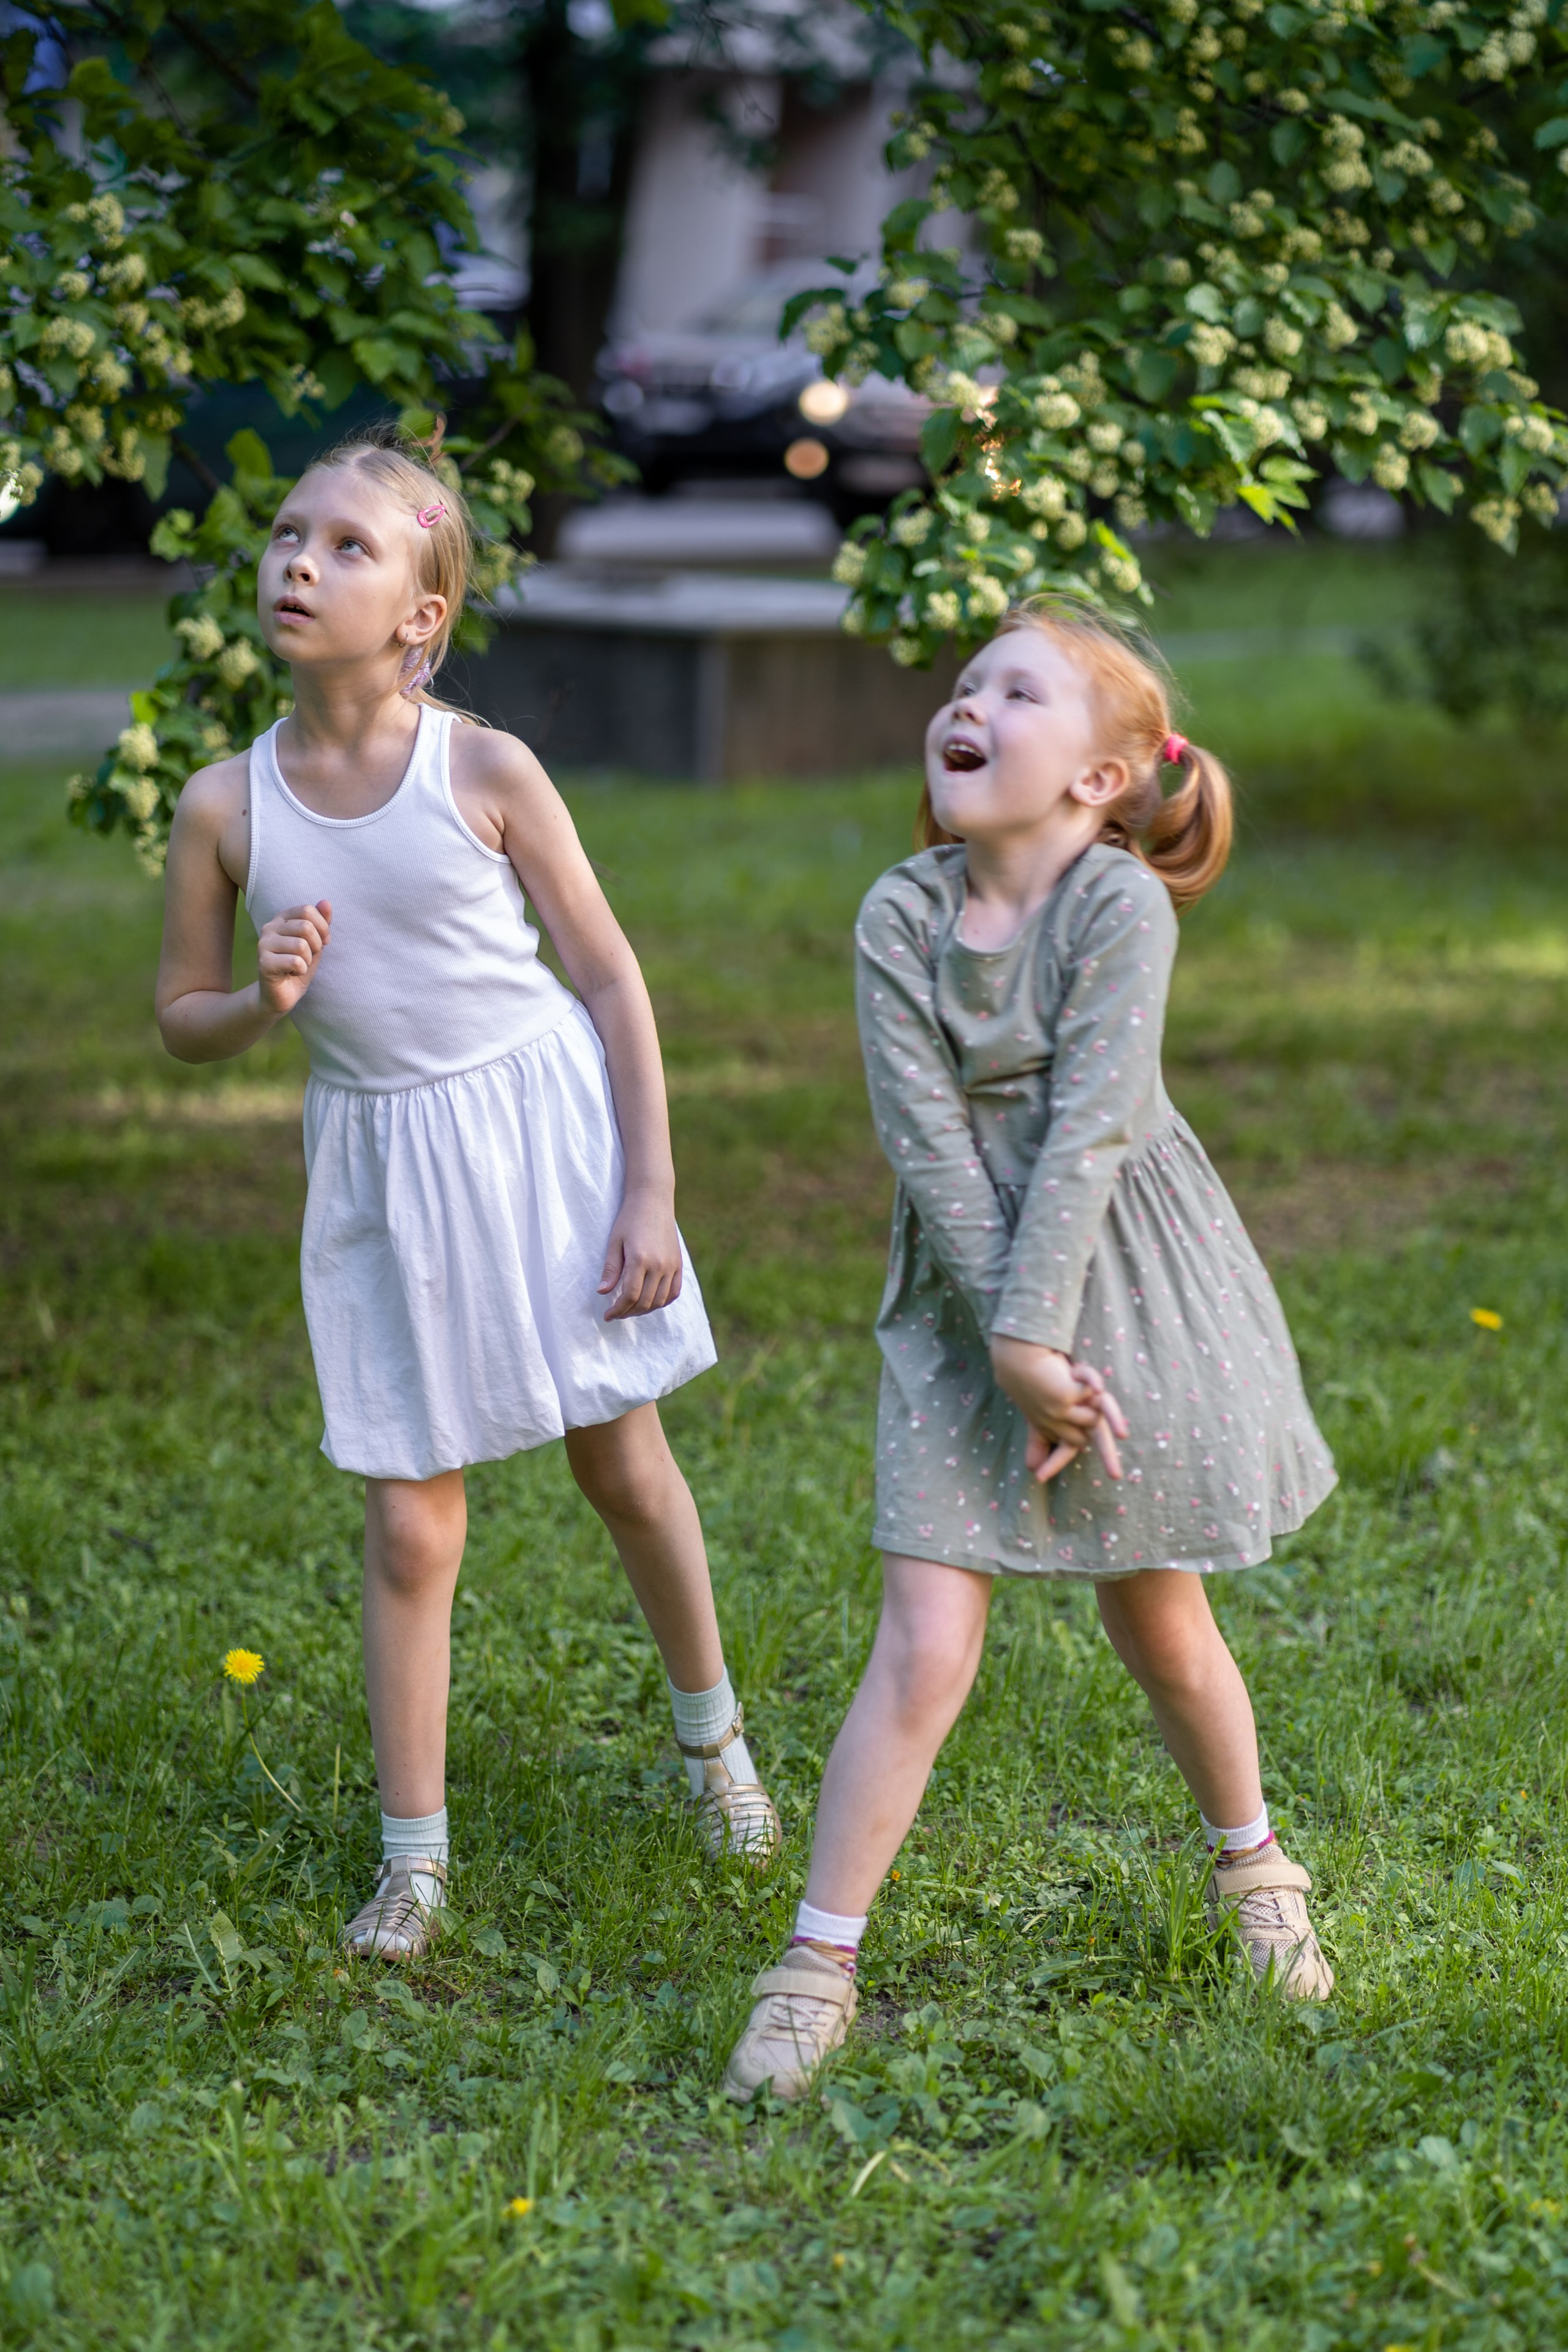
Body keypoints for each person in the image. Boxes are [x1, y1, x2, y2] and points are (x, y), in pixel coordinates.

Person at [155, 423, 778, 1960]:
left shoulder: (486, 769)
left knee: (619, 1461)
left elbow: (610, 978)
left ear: (421, 616)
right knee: (409, 1521)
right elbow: (180, 1022)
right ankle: (413, 1863)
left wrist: (650, 1191)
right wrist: (259, 1004)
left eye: (346, 547)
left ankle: (716, 1747)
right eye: (287, 534)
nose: (299, 562)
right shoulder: (224, 806)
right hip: (382, 1170)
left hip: (542, 1143)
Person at [723, 597, 1338, 2101]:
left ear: (1098, 778)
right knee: (924, 1642)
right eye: (964, 684)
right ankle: (814, 1963)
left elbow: (1090, 1130)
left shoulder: (1116, 908)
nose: (969, 705)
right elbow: (923, 1138)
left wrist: (1043, 1335)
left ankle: (1254, 1868)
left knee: (1160, 1619)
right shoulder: (900, 913)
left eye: (1016, 693)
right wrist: (1002, 1341)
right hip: (965, 1305)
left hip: (1118, 1280)